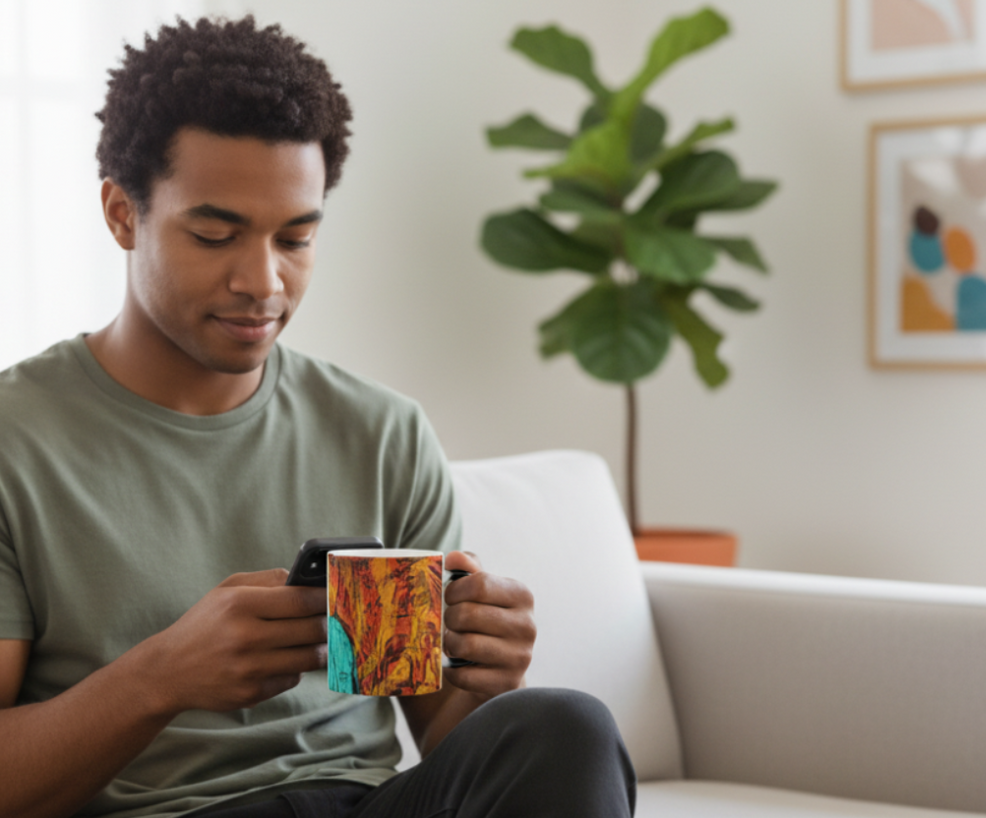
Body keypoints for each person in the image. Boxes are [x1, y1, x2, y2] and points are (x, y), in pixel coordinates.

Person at [0, 15, 636, 818]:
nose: (263, 281)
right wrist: (160, 677)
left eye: (295, 238)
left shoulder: (381, 432)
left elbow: (443, 736)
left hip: (360, 804)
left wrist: (485, 675)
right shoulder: (15, 441)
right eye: (215, 234)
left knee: (563, 726)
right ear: (123, 214)